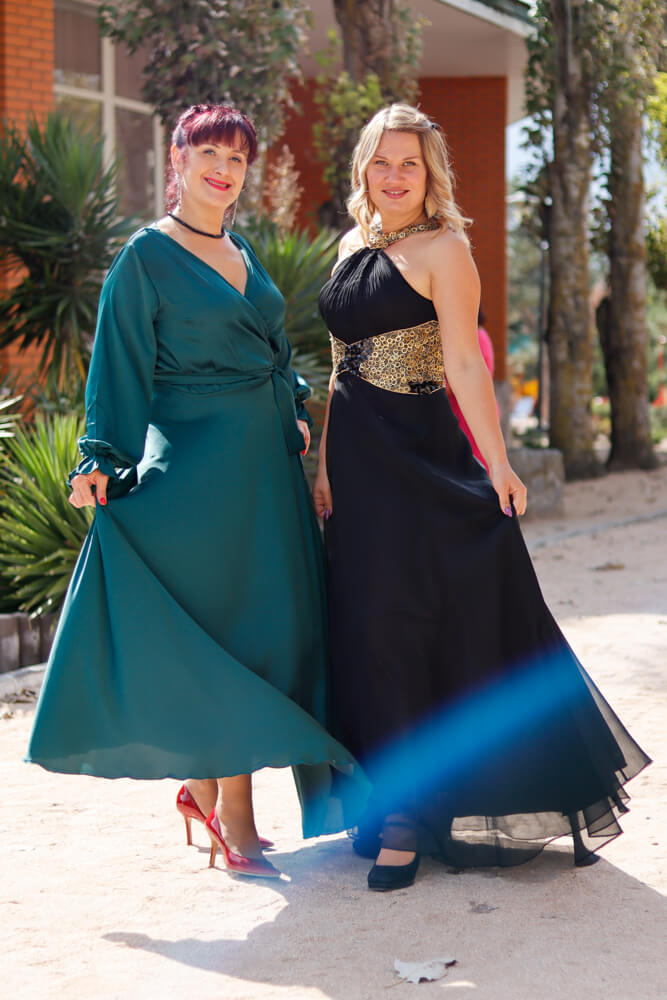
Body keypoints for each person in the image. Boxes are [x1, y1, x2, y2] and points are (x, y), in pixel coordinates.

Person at [313, 104, 650, 892]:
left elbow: (465, 365)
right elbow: (337, 367)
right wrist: (325, 469)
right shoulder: (350, 245)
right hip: (357, 467)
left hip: (420, 459)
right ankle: (387, 792)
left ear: (429, 173)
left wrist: (497, 464)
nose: (394, 176)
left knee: (408, 621)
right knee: (365, 626)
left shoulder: (446, 248)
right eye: (381, 162)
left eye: (409, 163)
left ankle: (408, 818)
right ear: (363, 169)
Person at [26, 104, 367, 879]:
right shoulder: (144, 258)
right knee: (229, 640)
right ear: (176, 157)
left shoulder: (242, 249)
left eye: (237, 158)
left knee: (267, 634)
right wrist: (101, 459)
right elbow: (117, 368)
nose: (223, 168)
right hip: (197, 478)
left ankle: (203, 792)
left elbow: (274, 351)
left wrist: (295, 407)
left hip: (265, 476)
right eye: (208, 151)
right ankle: (232, 818)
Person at [447, 307, 498, 471]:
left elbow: (455, 383)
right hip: (473, 415)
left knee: (472, 471)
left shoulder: (474, 338)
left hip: (469, 417)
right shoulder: (479, 335)